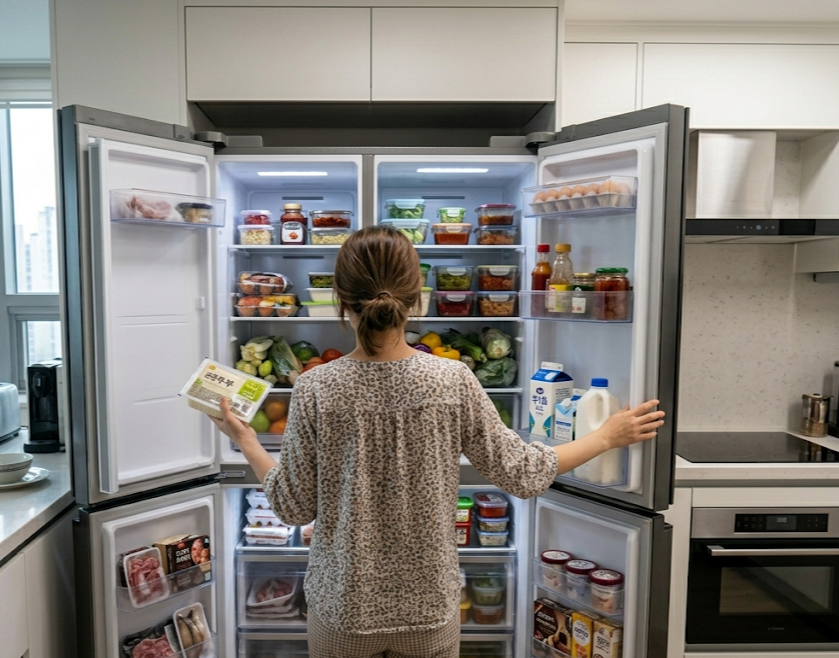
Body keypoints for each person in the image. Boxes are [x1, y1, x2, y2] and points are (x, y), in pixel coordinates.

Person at [210, 226, 664, 658]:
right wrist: (606, 435)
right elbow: (525, 473)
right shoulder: (451, 379)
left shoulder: (316, 387)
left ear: (340, 301)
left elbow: (292, 507)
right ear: (417, 296)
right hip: (427, 609)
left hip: (343, 609)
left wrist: (248, 440)